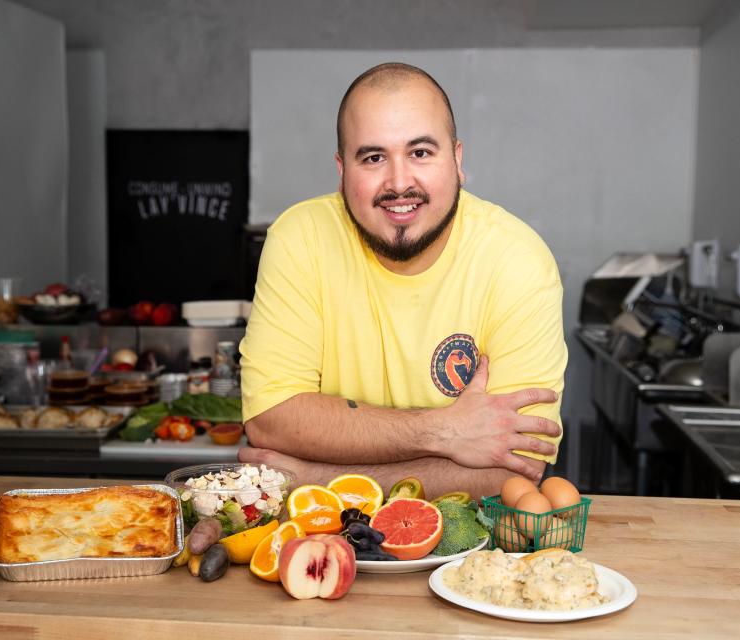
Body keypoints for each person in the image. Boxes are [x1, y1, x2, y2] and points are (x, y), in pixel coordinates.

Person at [238, 62, 567, 499]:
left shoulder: (519, 261)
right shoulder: (300, 237)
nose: (398, 183)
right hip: (317, 537)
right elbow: (271, 420)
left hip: (468, 555)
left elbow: (515, 473)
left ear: (457, 159)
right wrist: (444, 432)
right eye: (373, 158)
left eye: (421, 152)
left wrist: (317, 477)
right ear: (342, 172)